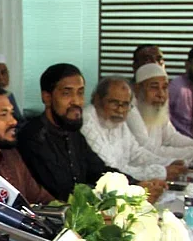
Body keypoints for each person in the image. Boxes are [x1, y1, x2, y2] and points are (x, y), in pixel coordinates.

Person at [17, 64, 164, 202]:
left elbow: (98, 170)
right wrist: (127, 194)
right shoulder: (33, 137)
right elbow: (62, 192)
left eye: (80, 93)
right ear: (47, 97)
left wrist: (136, 185)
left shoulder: (71, 132)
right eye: (67, 93)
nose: (77, 101)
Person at [81, 77, 187, 182]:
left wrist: (167, 162)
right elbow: (111, 169)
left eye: (125, 104)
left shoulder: (116, 121)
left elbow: (136, 153)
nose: (120, 109)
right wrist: (159, 172)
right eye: (114, 103)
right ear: (97, 99)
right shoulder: (87, 122)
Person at [131, 63, 193, 162]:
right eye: (154, 87)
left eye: (164, 88)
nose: (161, 94)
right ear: (137, 89)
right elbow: (148, 151)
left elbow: (171, 137)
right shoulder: (130, 112)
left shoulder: (155, 106)